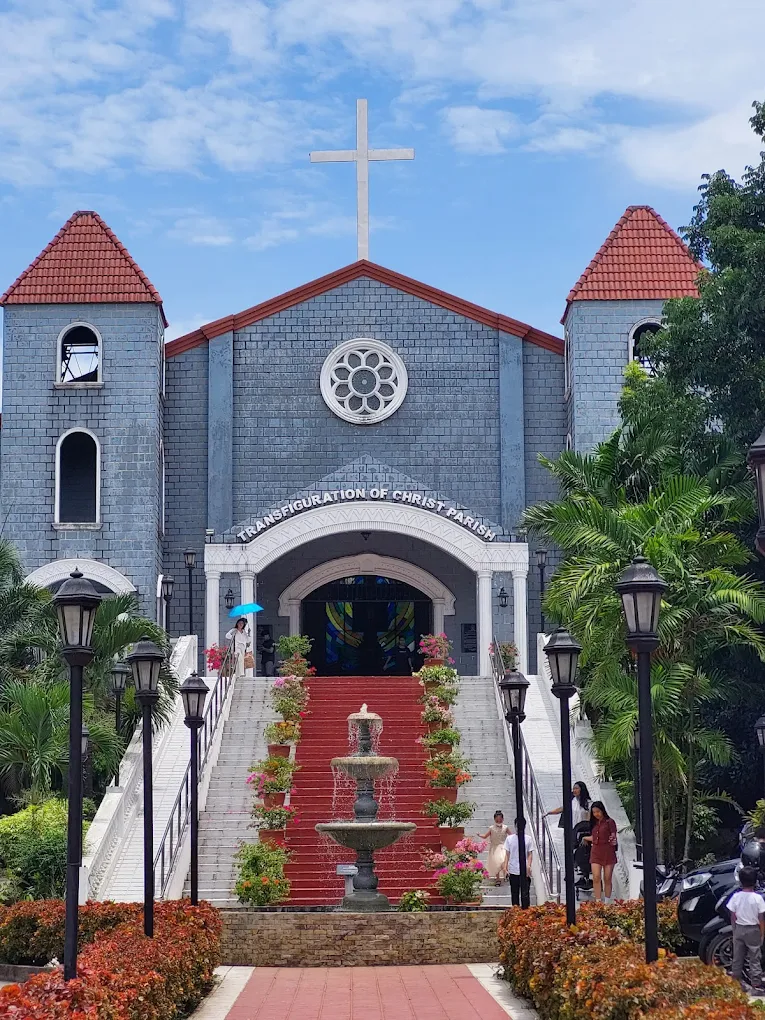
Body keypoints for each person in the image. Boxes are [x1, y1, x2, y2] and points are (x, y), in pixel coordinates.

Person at [728, 866, 765, 992]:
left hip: (739, 929)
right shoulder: (758, 898)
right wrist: (762, 933)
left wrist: (734, 929)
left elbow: (732, 915)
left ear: (740, 881)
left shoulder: (736, 897)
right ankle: (756, 984)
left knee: (737, 958)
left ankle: (736, 983)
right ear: (755, 882)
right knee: (754, 958)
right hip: (753, 930)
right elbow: (761, 918)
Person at [583, 801, 618, 902]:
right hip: (596, 852)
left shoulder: (609, 822)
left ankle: (607, 901)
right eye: (594, 812)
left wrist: (612, 840)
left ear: (602, 811)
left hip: (608, 851)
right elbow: (595, 837)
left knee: (607, 877)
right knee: (596, 876)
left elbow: (613, 835)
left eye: (598, 811)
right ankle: (598, 900)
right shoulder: (593, 823)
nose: (596, 814)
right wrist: (585, 838)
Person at [503, 818, 533, 906]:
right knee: (514, 893)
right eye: (517, 826)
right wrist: (505, 868)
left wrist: (529, 866)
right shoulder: (509, 839)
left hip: (524, 871)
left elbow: (530, 854)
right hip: (513, 870)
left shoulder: (528, 839)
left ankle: (525, 913)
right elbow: (507, 854)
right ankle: (515, 912)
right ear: (515, 826)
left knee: (525, 894)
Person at [478, 811, 510, 886]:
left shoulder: (505, 827)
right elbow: (486, 836)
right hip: (494, 847)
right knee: (496, 862)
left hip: (503, 846)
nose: (499, 821)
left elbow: (511, 835)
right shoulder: (491, 828)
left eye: (500, 820)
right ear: (494, 820)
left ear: (503, 819)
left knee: (503, 860)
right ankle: (497, 878)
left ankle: (505, 873)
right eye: (497, 820)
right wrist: (480, 835)